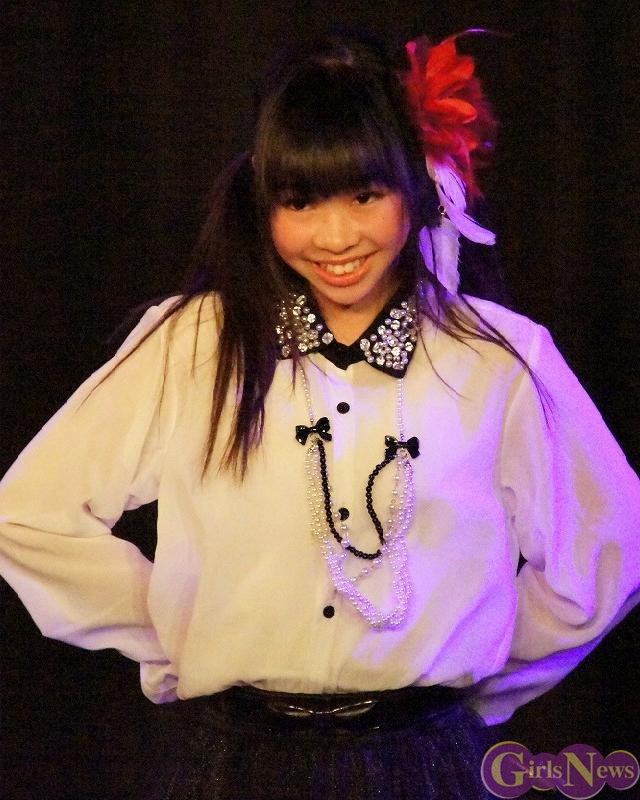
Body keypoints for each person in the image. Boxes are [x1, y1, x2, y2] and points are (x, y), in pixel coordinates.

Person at [1, 28, 639, 800]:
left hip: (425, 762)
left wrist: (474, 675)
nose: (336, 237)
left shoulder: (501, 359)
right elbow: (28, 517)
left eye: (365, 196)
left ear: (417, 188)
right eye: (300, 202)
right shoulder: (193, 343)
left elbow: (608, 553)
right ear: (264, 202)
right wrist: (176, 633)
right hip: (236, 763)